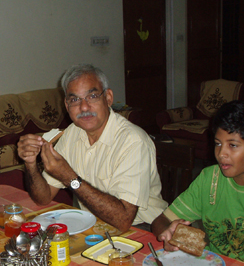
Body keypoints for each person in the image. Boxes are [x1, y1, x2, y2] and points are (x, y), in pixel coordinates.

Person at [152, 100, 244, 266]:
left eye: (232, 145)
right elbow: (160, 220)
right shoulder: (210, 178)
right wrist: (167, 234)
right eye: (218, 143)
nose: (221, 154)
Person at [17, 64, 167, 233]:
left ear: (108, 98)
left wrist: (70, 177)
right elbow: (43, 198)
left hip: (143, 229)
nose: (84, 107)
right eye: (75, 100)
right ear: (67, 106)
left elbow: (123, 220)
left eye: (93, 96)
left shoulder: (133, 141)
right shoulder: (72, 134)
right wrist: (30, 164)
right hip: (95, 225)